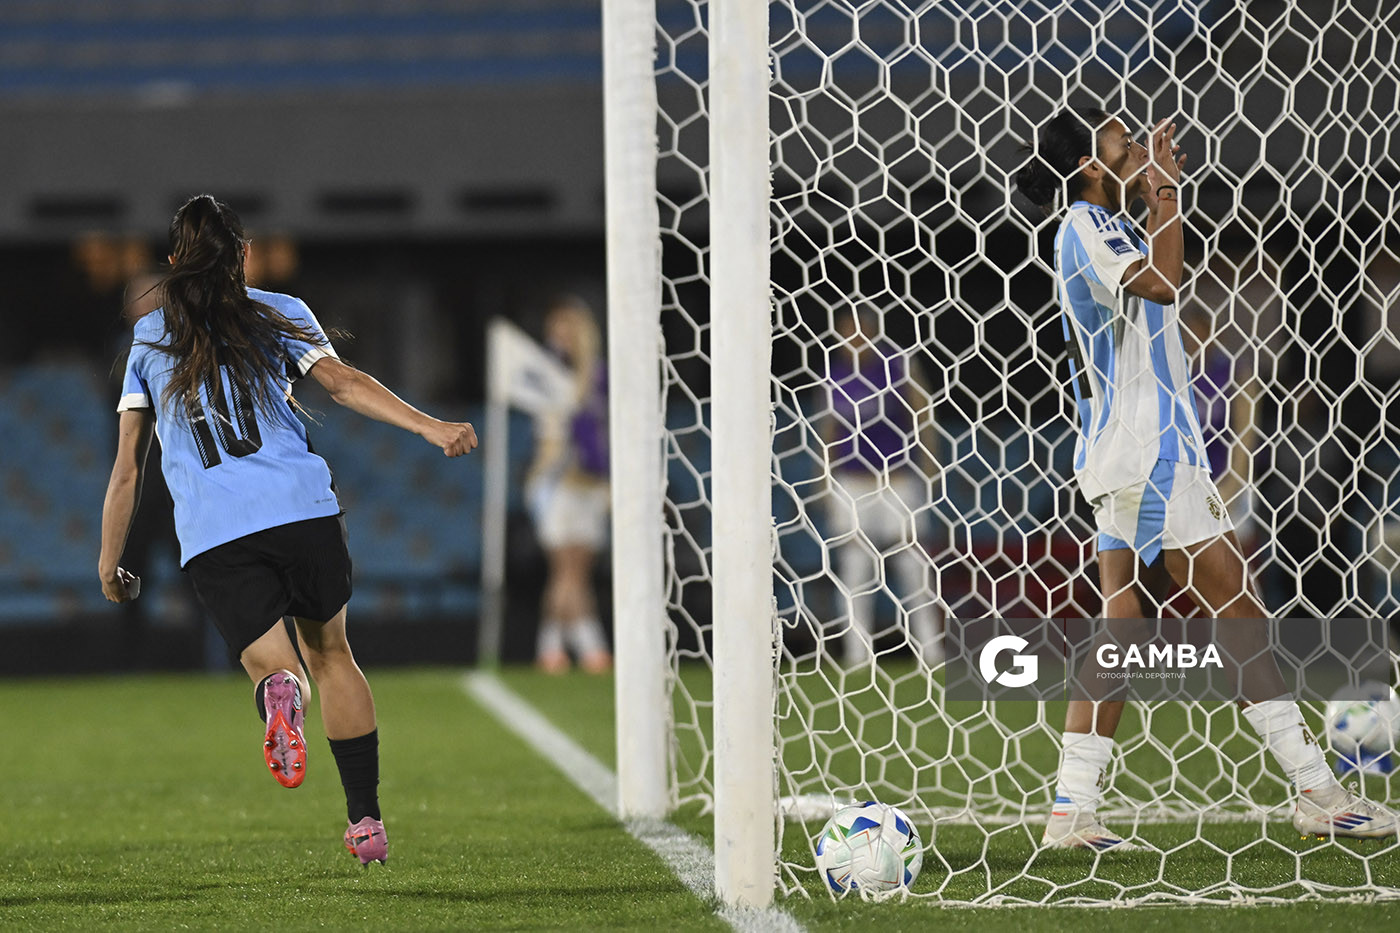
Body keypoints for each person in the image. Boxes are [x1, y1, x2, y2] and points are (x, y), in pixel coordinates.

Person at [1014, 109, 1396, 848]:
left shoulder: (1108, 226)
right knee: (1239, 611)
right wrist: (1166, 196)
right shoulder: (1085, 225)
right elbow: (1162, 285)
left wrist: (1156, 200)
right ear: (1090, 165)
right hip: (1149, 452)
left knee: (1125, 625)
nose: (1136, 143)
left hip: (1130, 450)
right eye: (1121, 139)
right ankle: (1319, 792)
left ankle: (1071, 808)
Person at [98, 195, 477, 866]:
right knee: (332, 656)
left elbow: (129, 466)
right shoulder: (279, 312)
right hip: (302, 510)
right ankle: (365, 822)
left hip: (217, 530)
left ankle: (280, 695)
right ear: (244, 255)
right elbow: (345, 383)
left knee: (278, 668)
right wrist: (429, 426)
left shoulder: (150, 338)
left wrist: (109, 562)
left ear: (175, 261)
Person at [821, 305, 944, 668]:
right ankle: (857, 654)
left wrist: (930, 465)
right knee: (855, 570)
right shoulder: (833, 373)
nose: (853, 339)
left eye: (859, 330)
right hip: (851, 484)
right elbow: (828, 429)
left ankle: (930, 651)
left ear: (873, 332)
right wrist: (825, 480)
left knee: (913, 567)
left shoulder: (897, 364)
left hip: (896, 481)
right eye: (846, 332)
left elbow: (922, 412)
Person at [525, 296, 612, 674]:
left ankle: (552, 646)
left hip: (592, 484)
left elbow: (604, 430)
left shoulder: (598, 375)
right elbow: (548, 436)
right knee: (567, 570)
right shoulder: (548, 376)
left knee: (577, 570)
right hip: (558, 483)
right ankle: (590, 646)